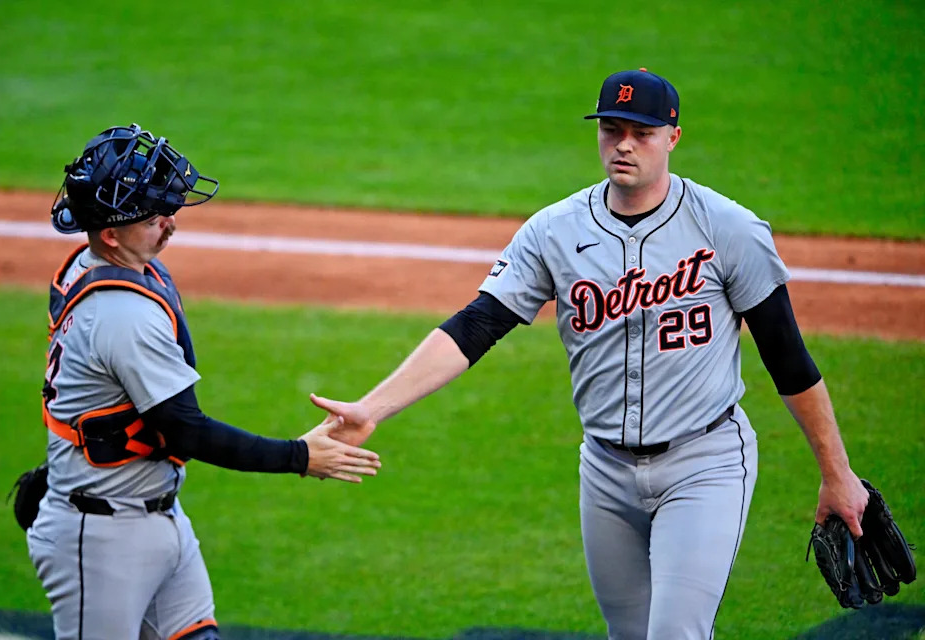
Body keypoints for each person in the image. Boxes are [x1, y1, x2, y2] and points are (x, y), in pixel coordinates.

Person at [309, 70, 869, 639]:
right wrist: (374, 407)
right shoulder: (554, 231)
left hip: (705, 463)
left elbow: (789, 360)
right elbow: (476, 326)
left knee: (676, 634)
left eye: (642, 132)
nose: (624, 144)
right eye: (612, 128)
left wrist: (837, 473)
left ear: (673, 137)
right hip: (605, 470)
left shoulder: (728, 229)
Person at [28, 124, 381, 640]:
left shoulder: (101, 266)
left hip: (156, 516)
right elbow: (185, 429)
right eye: (154, 216)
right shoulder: (122, 316)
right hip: (102, 540)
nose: (170, 222)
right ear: (111, 233)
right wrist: (301, 456)